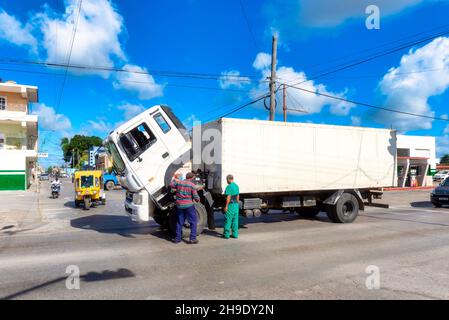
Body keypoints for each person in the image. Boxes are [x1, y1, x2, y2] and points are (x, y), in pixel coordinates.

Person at [170, 172, 200, 244]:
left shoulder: (179, 183)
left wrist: (175, 180)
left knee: (179, 222)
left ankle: (177, 239)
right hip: (189, 206)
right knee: (193, 222)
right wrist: (198, 199)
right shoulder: (192, 185)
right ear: (192, 178)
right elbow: (196, 197)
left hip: (179, 205)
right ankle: (192, 239)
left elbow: (171, 185)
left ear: (186, 177)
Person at [223, 174, 240, 239]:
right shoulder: (236, 186)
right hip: (236, 205)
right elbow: (238, 196)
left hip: (230, 205)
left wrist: (226, 206)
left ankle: (226, 235)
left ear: (228, 179)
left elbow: (228, 197)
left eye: (226, 180)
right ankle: (235, 234)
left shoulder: (229, 186)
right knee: (235, 221)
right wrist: (237, 204)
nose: (226, 181)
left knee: (228, 220)